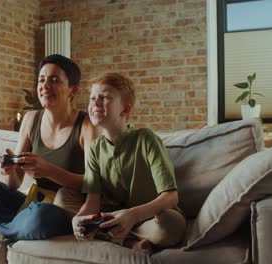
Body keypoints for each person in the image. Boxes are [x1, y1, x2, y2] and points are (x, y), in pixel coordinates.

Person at [0, 54, 99, 240]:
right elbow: (13, 185)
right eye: (41, 80)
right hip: (30, 203)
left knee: (41, 215)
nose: (45, 86)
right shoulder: (30, 119)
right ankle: (13, 225)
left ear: (72, 90)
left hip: (61, 210)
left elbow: (94, 183)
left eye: (54, 80)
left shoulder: (86, 125)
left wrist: (49, 170)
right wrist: (11, 170)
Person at [72, 73, 186, 254]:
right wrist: (78, 219)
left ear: (125, 110)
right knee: (63, 199)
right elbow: (92, 202)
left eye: (105, 97)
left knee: (171, 224)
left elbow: (170, 198)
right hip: (114, 219)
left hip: (149, 218)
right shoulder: (94, 149)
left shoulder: (146, 139)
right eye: (93, 98)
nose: (95, 102)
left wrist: (132, 215)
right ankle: (127, 239)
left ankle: (124, 237)